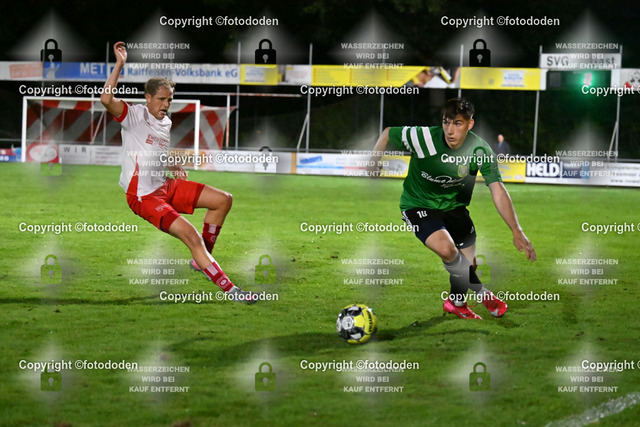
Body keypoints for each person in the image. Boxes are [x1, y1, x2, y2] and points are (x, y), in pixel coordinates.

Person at [100, 41, 256, 304]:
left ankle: (201, 261)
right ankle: (232, 291)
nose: (166, 104)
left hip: (164, 184)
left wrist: (169, 164)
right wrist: (119, 64)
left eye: (169, 99)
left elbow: (152, 152)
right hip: (144, 196)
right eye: (161, 99)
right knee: (192, 237)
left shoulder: (166, 122)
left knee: (223, 200)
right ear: (148, 98)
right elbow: (106, 99)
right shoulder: (134, 115)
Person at [368, 98, 536, 319]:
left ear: (469, 124)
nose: (450, 130)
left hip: (455, 207)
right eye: (446, 122)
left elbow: (497, 189)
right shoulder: (423, 138)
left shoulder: (479, 150)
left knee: (468, 265)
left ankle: (456, 303)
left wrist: (516, 229)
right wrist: (373, 161)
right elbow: (388, 133)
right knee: (448, 251)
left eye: (457, 123)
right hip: (419, 205)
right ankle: (482, 293)